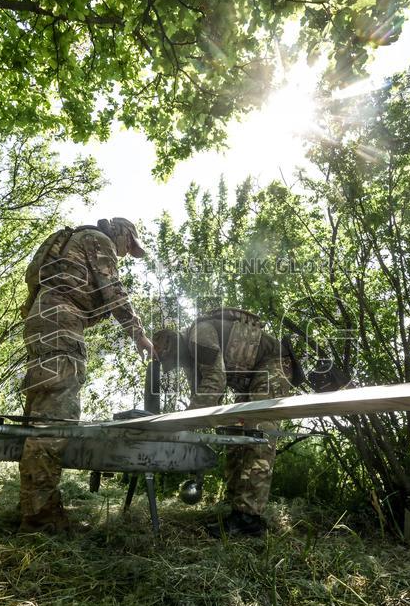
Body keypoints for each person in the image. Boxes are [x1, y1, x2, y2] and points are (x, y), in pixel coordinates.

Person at [19, 217, 154, 532]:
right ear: (120, 233)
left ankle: (31, 508)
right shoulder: (100, 240)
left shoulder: (70, 241)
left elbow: (34, 284)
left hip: (43, 319)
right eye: (127, 246)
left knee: (38, 418)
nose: (123, 254)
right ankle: (42, 520)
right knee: (55, 421)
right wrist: (139, 334)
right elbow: (114, 291)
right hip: (61, 322)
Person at [152, 308, 304, 536]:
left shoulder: (198, 336)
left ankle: (249, 519)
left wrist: (182, 423)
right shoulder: (189, 358)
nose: (176, 366)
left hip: (273, 364)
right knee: (234, 434)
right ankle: (235, 509)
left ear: (175, 346)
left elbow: (215, 381)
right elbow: (203, 398)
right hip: (251, 377)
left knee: (257, 432)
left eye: (173, 361)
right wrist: (188, 424)